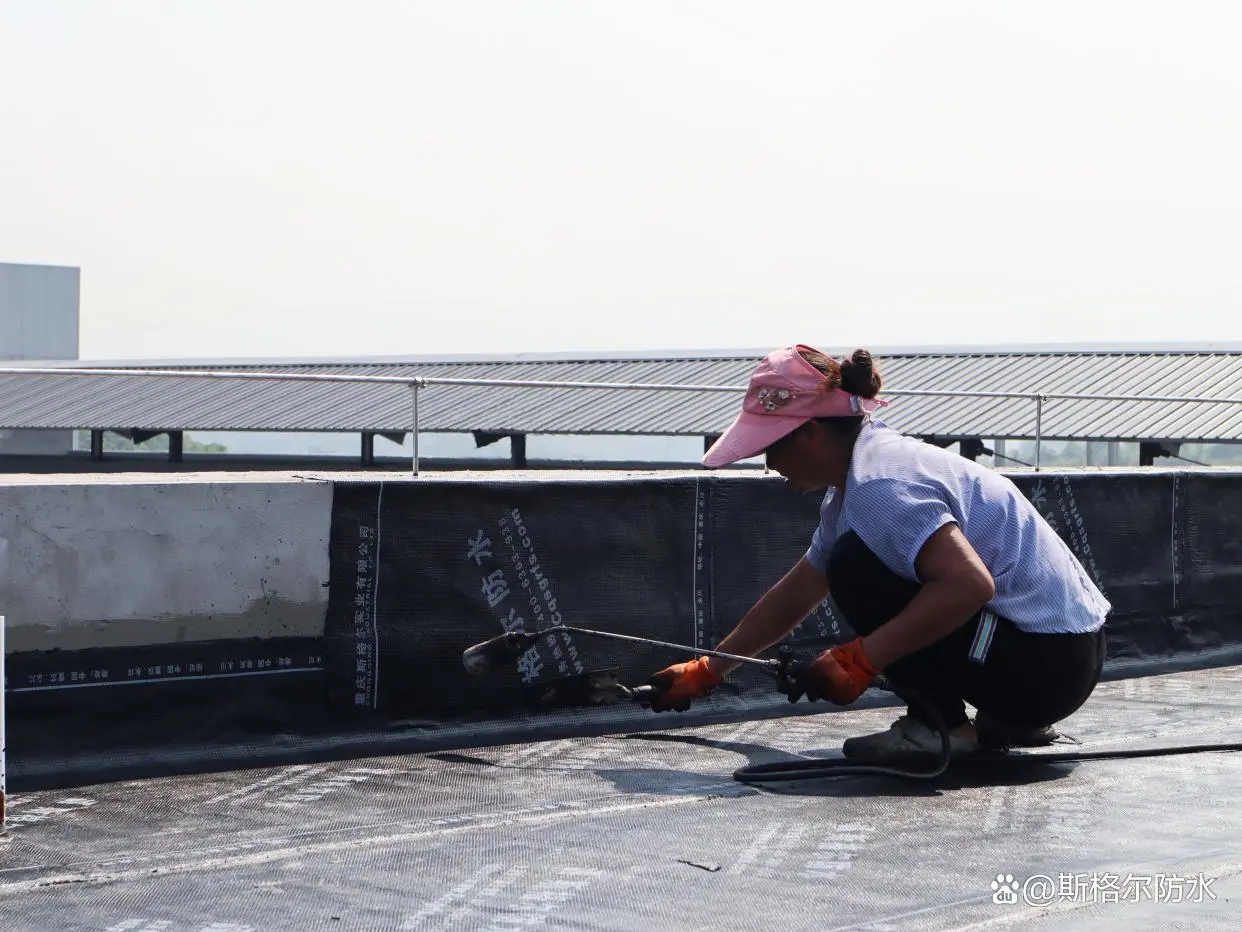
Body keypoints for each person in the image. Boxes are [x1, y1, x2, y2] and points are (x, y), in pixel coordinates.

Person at [646, 344, 1110, 761]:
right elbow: (799, 590)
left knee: (854, 567)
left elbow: (969, 585)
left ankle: (938, 727)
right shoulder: (863, 477)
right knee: (845, 561)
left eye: (770, 449)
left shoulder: (880, 486)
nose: (770, 466)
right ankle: (1009, 717)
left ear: (810, 434)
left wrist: (861, 659)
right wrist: (709, 669)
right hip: (1062, 660)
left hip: (1046, 669)